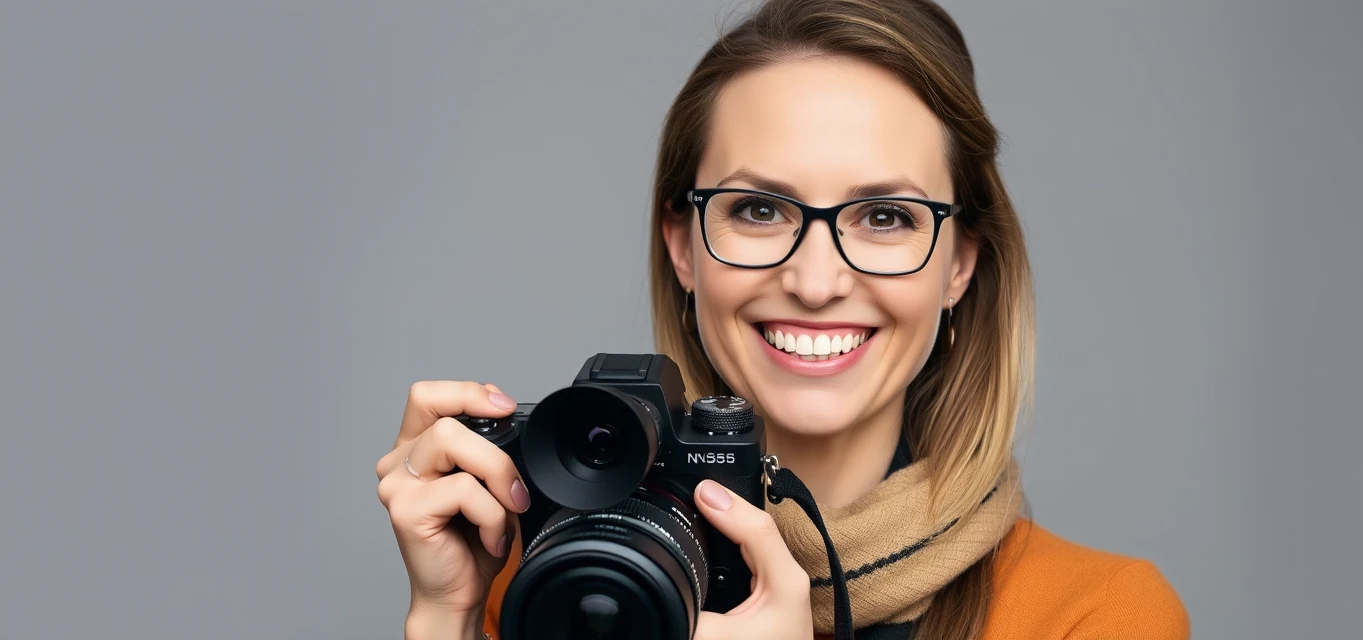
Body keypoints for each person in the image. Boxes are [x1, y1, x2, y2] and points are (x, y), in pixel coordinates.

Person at [374, 1, 1191, 638]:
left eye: (885, 217)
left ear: (961, 266)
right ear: (684, 249)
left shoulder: (1095, 618)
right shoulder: (555, 589)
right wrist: (445, 621)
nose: (814, 279)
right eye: (760, 209)